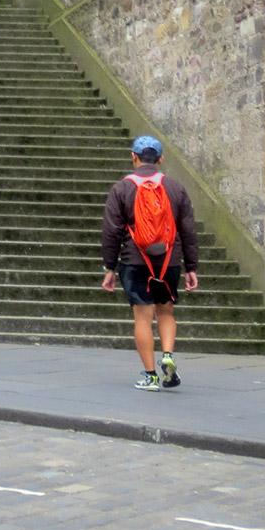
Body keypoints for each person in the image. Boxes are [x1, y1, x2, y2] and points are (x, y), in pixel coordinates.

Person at [102, 134, 199, 391]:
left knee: (142, 318)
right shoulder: (176, 188)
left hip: (135, 259)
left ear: (133, 157)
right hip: (169, 260)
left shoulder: (121, 188)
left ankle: (151, 376)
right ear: (160, 159)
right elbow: (188, 230)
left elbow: (111, 231)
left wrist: (109, 268)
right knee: (165, 312)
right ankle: (167, 355)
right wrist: (192, 268)